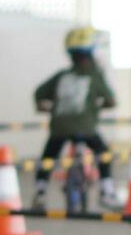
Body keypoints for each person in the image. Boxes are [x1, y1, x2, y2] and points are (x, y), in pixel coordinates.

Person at [33, 26, 121, 210]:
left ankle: (40, 193)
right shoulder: (94, 76)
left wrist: (47, 107)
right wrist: (97, 107)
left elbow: (39, 94)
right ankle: (107, 192)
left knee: (48, 157)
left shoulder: (62, 76)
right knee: (103, 153)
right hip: (86, 128)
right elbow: (111, 101)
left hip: (59, 127)